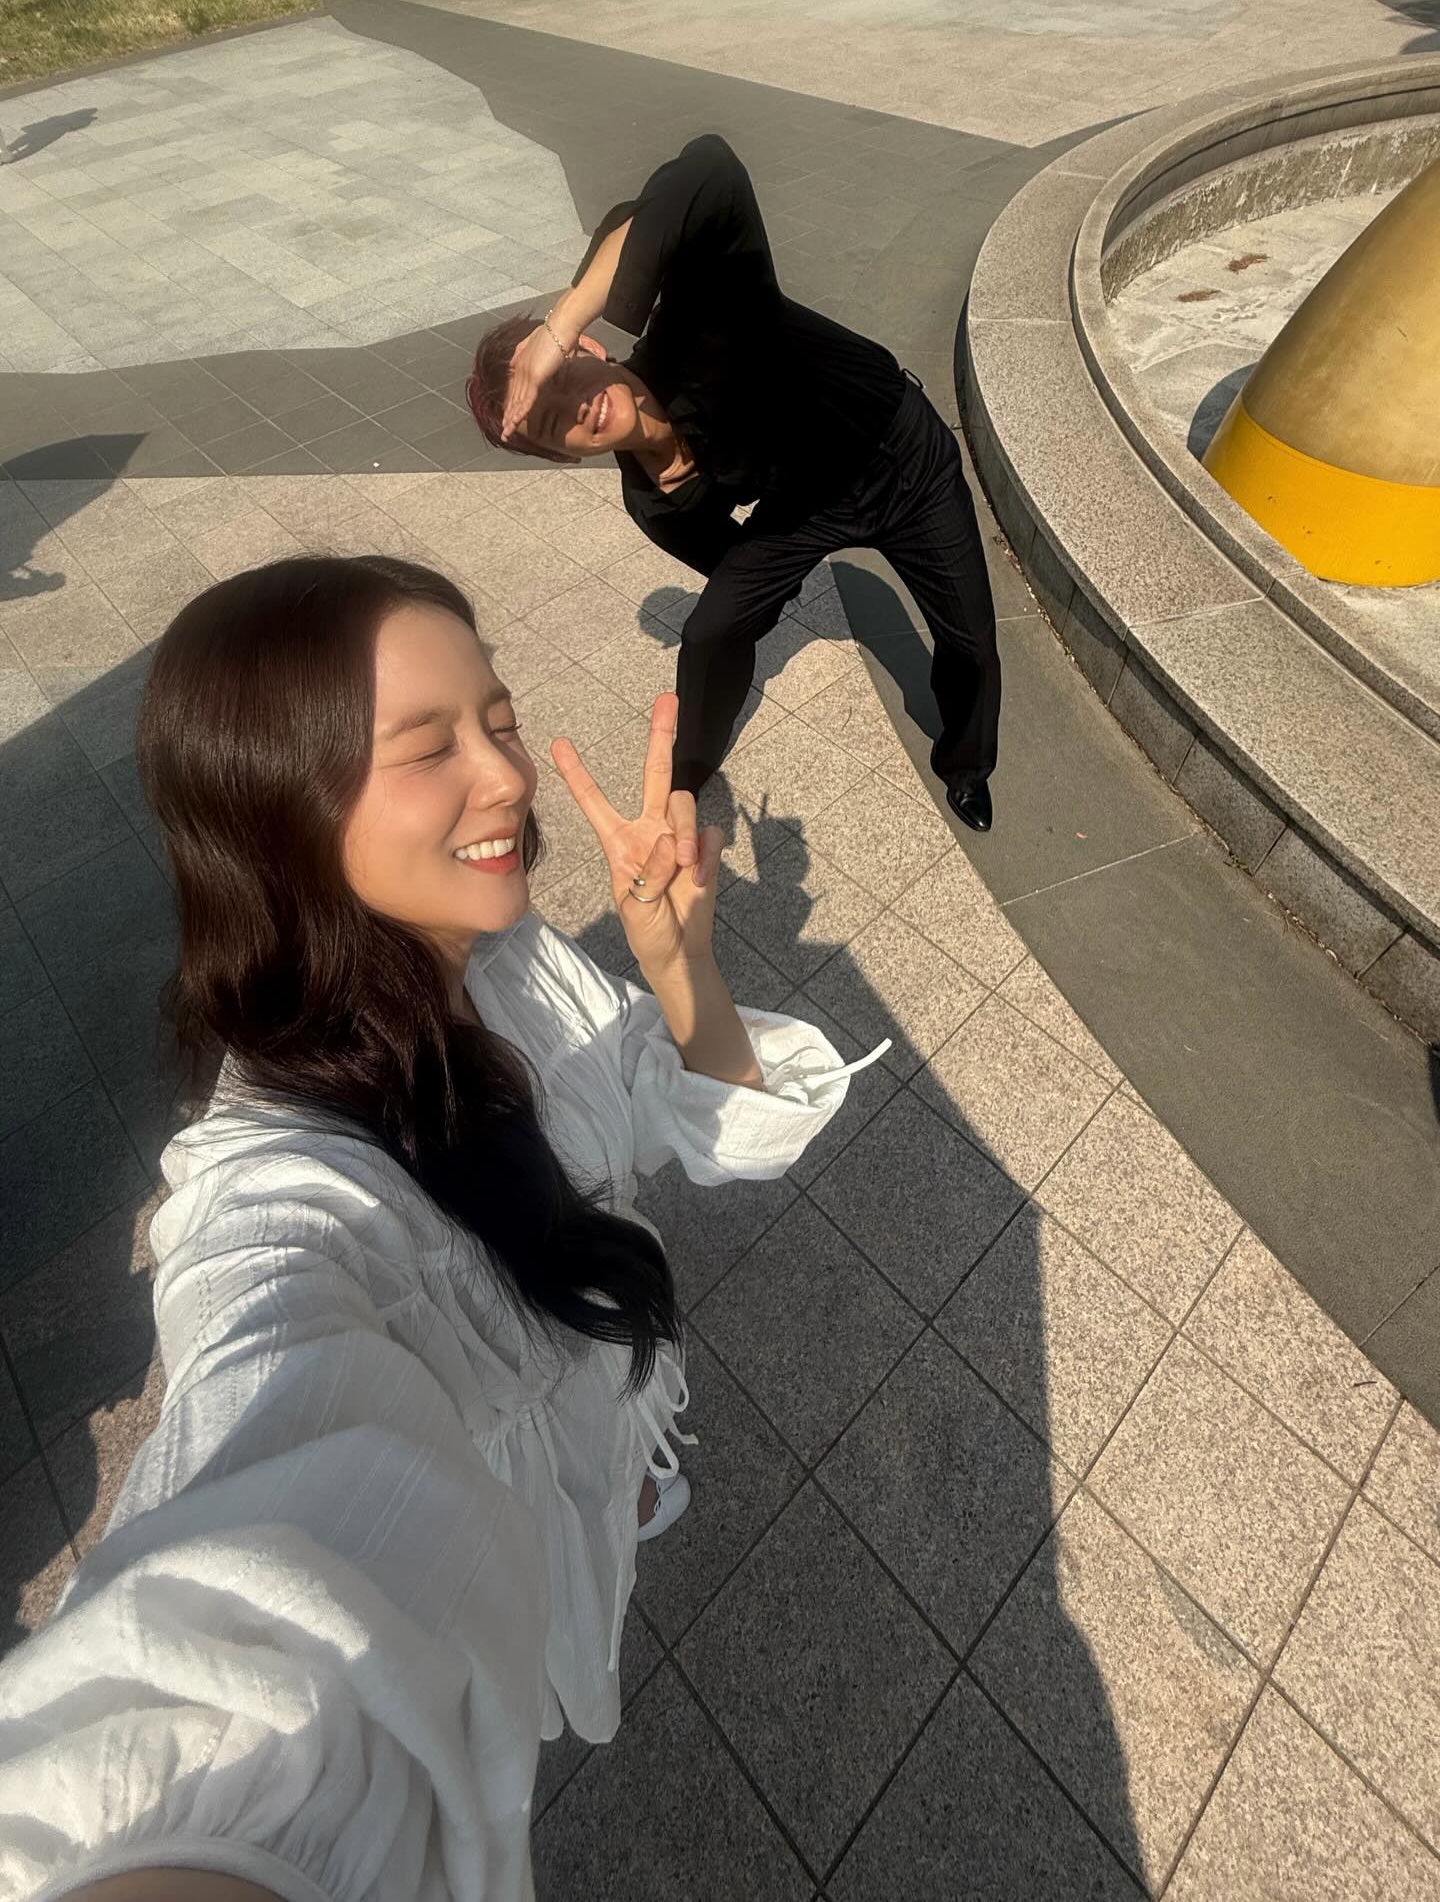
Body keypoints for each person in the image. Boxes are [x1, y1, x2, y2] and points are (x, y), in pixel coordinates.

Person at [0, 555, 885, 1902]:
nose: (508, 777)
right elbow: (256, 1598)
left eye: (501, 719)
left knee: (623, 1471)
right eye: (428, 748)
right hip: (503, 1558)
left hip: (604, 1412)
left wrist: (682, 967)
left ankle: (633, 1480)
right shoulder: (280, 1190)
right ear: (273, 815)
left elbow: (697, 1127)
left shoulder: (512, 960)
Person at [466, 132, 1001, 833]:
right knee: (710, 629)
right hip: (805, 503)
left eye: (562, 378)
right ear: (561, 456)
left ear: (588, 349)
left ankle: (966, 765)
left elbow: (709, 169)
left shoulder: (698, 323)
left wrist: (557, 325)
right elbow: (732, 568)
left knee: (971, 642)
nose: (577, 407)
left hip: (901, 453)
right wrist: (756, 595)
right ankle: (688, 773)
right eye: (551, 423)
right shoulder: (651, 500)